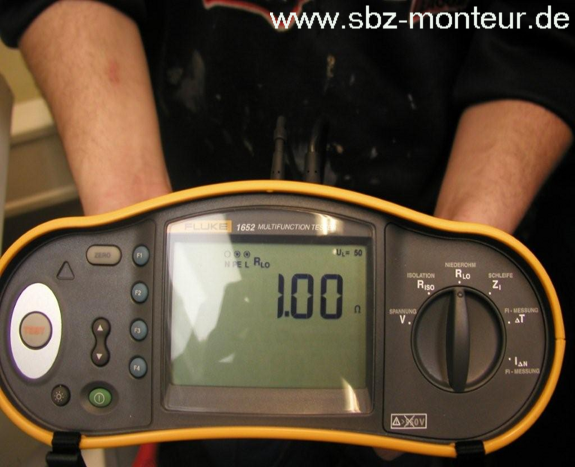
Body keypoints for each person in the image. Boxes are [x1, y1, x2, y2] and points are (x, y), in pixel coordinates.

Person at [1, 1, 574, 465]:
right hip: (181, 252)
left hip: (456, 228)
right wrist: (131, 215)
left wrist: (464, 248)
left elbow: (545, 34)